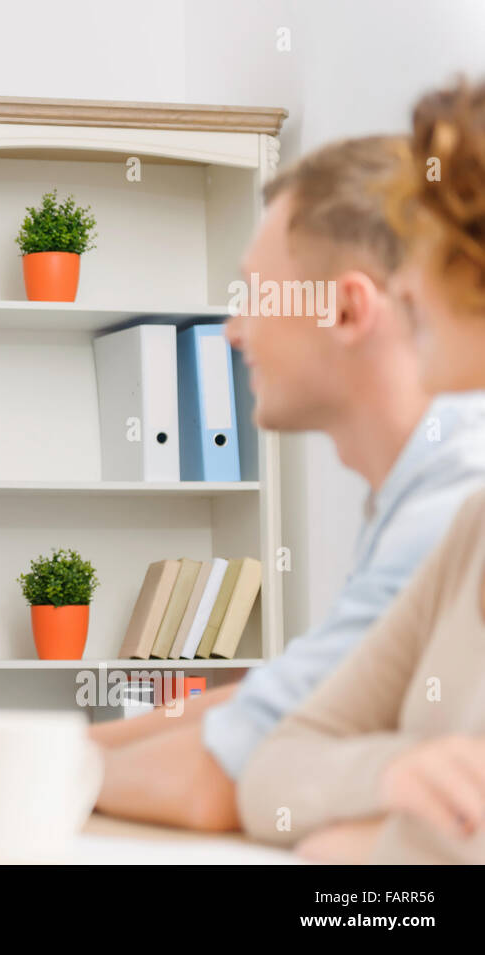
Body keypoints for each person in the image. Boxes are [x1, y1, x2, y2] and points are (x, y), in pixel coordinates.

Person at [0, 133, 485, 832]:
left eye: (255, 296)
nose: (233, 331)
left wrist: (17, 770)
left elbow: (223, 776)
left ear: (348, 311)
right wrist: (61, 747)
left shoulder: (451, 499)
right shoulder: (426, 489)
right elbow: (276, 704)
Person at [238, 74, 485, 864]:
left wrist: (361, 842)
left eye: (430, 250)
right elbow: (274, 771)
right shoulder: (473, 530)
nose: (403, 283)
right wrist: (394, 778)